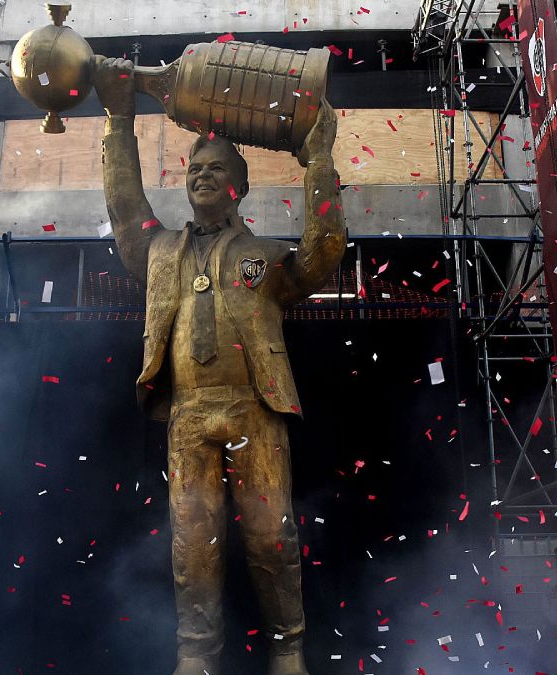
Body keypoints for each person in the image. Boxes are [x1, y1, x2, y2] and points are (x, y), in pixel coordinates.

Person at [95, 56, 345, 675]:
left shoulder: (264, 255)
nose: (203, 176)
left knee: (269, 536)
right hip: (188, 414)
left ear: (240, 186)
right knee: (193, 546)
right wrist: (118, 120)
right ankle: (195, 656)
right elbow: (126, 209)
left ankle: (287, 647)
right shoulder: (158, 253)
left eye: (217, 170)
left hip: (253, 410)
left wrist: (317, 163)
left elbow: (322, 254)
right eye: (195, 169)